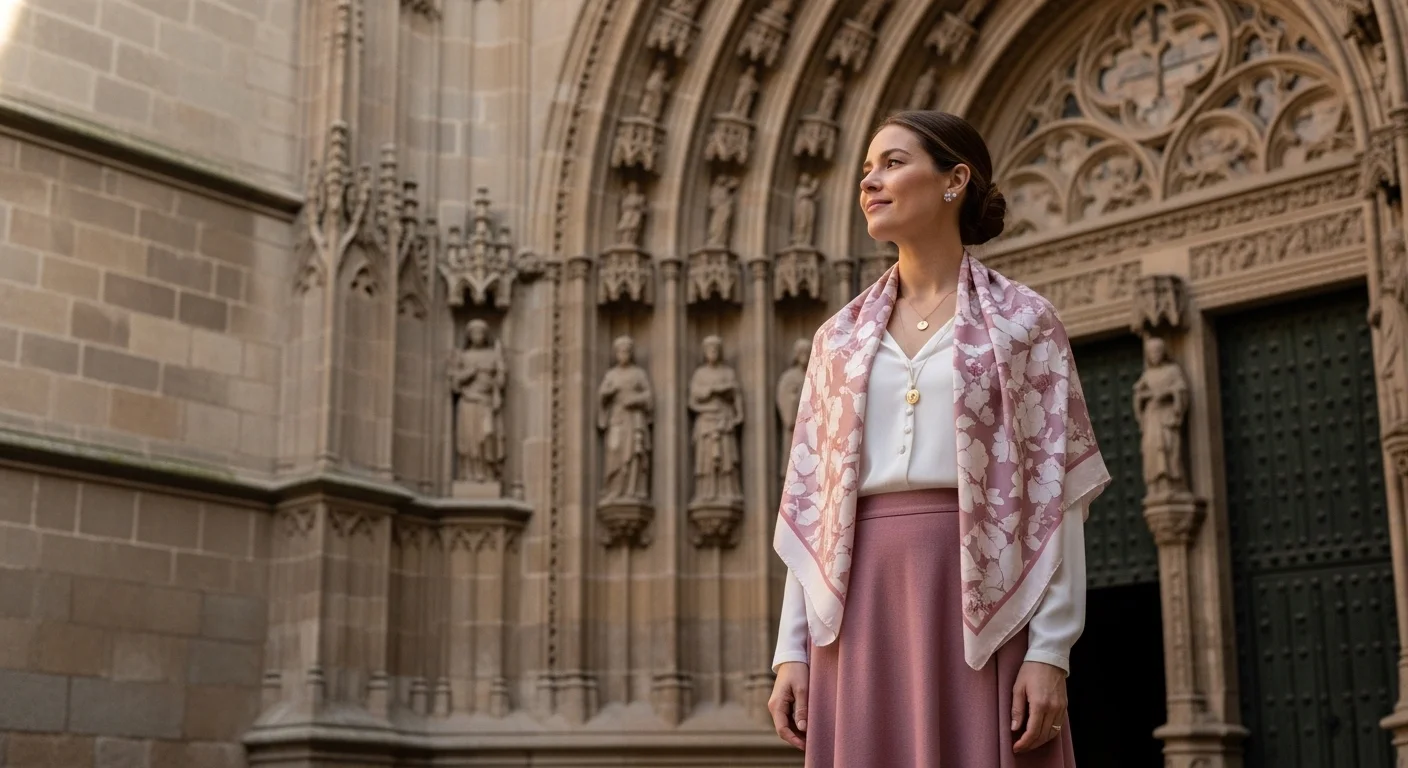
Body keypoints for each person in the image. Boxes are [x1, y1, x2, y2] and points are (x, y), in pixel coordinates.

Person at [768, 110, 1110, 767]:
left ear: (955, 180)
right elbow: (813, 505)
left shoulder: (1026, 324)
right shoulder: (836, 339)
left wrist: (1050, 651)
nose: (870, 180)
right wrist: (792, 650)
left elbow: (1059, 496)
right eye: (867, 168)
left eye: (892, 163)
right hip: (858, 602)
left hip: (981, 592)